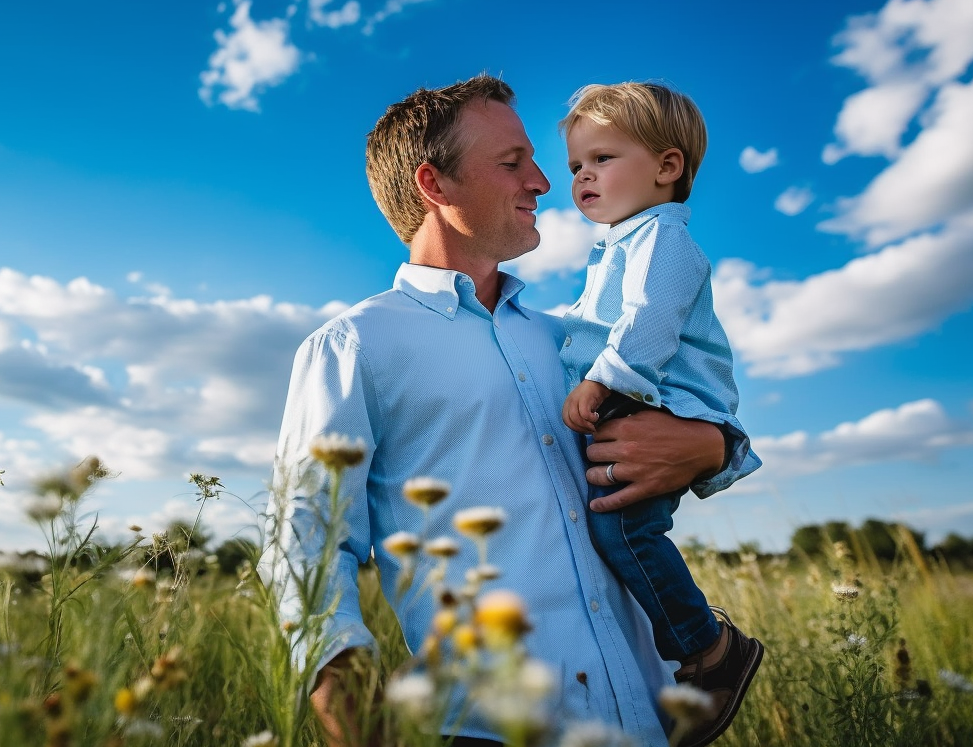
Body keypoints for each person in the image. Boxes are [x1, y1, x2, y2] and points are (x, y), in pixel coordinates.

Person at [260, 75, 751, 747]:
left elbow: (695, 407)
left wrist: (712, 448)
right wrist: (355, 719)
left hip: (657, 714)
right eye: (513, 161)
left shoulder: (574, 340)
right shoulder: (353, 347)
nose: (545, 182)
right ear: (436, 185)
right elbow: (304, 547)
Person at [559, 82, 763, 747]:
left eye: (602, 158)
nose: (584, 175)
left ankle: (709, 649)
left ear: (667, 167)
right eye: (575, 167)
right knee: (620, 530)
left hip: (660, 401)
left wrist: (601, 379)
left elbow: (650, 319)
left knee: (627, 534)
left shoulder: (663, 240)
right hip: (644, 398)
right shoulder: (623, 243)